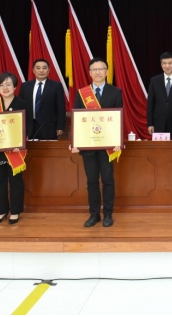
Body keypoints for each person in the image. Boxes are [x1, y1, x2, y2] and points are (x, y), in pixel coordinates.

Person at [69, 57, 123, 228]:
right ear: (90, 73)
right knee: (92, 181)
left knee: (107, 180)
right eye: (94, 69)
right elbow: (77, 119)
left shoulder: (115, 92)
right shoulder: (82, 93)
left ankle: (108, 214)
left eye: (101, 69)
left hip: (108, 145)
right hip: (88, 145)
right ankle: (94, 214)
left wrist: (118, 140)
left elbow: (119, 118)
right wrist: (74, 141)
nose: (98, 72)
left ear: (106, 72)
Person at [0, 72, 32, 225]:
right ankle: (2, 211)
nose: (5, 88)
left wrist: (21, 143)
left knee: (16, 182)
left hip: (15, 151)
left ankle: (15, 212)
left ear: (15, 87)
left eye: (8, 84)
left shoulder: (22, 104)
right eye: (2, 85)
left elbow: (28, 125)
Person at [20, 58, 66, 140]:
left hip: (49, 127)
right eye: (38, 68)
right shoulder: (25, 86)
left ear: (48, 70)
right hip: (29, 127)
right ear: (33, 70)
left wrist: (60, 127)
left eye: (44, 68)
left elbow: (61, 108)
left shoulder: (56, 86)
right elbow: (20, 106)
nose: (41, 71)